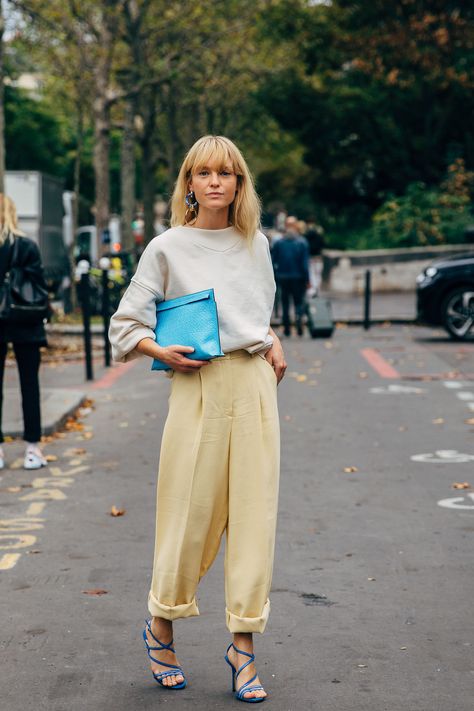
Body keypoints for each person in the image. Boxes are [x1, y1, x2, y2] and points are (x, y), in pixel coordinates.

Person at [109, 135, 287, 702]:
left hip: (255, 385)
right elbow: (124, 326)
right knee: (189, 516)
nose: (215, 182)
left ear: (240, 183)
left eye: (226, 173)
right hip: (197, 387)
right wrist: (159, 352)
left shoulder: (255, 243)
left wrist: (272, 338)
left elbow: (251, 314)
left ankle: (244, 648)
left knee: (255, 521)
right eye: (203, 172)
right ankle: (161, 623)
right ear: (188, 182)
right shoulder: (166, 247)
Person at [0, 195, 48, 471]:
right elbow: (39, 286)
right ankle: (32, 448)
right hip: (25, 321)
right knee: (29, 385)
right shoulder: (27, 246)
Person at [271, 215, 310, 336]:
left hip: (283, 277)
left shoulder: (279, 242)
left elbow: (273, 261)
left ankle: (287, 327)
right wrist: (307, 279)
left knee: (285, 303)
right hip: (298, 277)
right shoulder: (302, 242)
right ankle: (298, 321)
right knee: (298, 301)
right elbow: (304, 263)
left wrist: (274, 276)